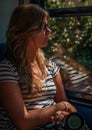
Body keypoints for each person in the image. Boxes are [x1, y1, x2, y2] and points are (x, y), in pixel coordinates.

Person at [0, 4, 77, 130]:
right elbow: (23, 122)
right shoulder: (7, 69)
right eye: (43, 27)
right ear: (26, 31)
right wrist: (59, 107)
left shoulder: (50, 66)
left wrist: (62, 114)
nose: (49, 31)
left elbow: (67, 105)